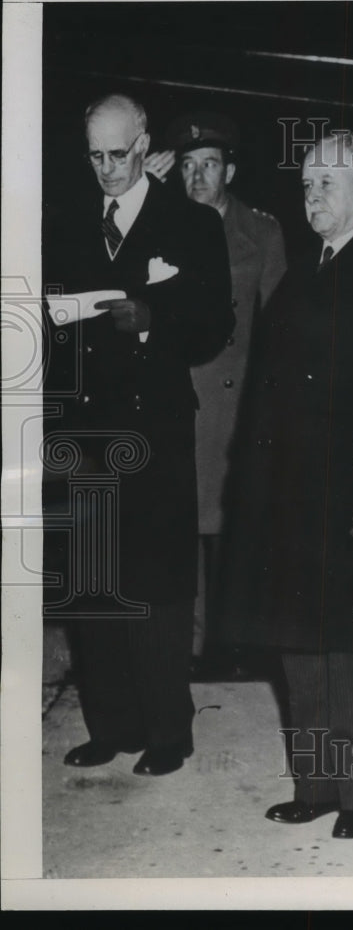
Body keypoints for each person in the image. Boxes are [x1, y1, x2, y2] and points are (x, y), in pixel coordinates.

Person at [217, 133, 353, 840]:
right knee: (297, 642)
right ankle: (315, 783)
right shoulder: (305, 269)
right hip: (288, 494)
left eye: (326, 182)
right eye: (305, 185)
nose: (312, 196)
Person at [42, 93, 233, 776]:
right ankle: (110, 727)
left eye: (118, 154)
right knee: (93, 587)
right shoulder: (64, 221)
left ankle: (166, 734)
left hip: (154, 431)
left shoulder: (191, 224)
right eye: (94, 155)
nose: (106, 169)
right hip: (84, 431)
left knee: (156, 586)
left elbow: (216, 325)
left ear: (144, 140)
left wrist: (153, 317)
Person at [157, 112, 287, 669]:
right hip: (181, 393)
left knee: (237, 523)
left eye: (208, 165)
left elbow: (279, 319)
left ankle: (239, 641)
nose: (198, 177)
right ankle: (189, 644)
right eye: (187, 166)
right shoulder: (160, 225)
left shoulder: (262, 230)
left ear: (229, 170)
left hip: (238, 401)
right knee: (184, 522)